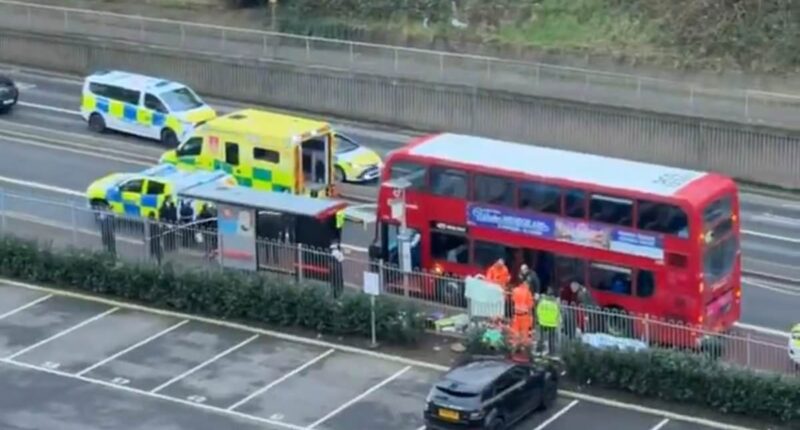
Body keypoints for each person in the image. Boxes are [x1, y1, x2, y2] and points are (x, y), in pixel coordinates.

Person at [536, 287, 561, 355]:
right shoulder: (555, 304)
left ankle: (539, 350)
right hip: (552, 324)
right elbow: (558, 313)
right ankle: (551, 352)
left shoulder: (543, 302)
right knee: (551, 339)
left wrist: (539, 319)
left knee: (541, 337)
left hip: (542, 322)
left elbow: (538, 310)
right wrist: (558, 321)